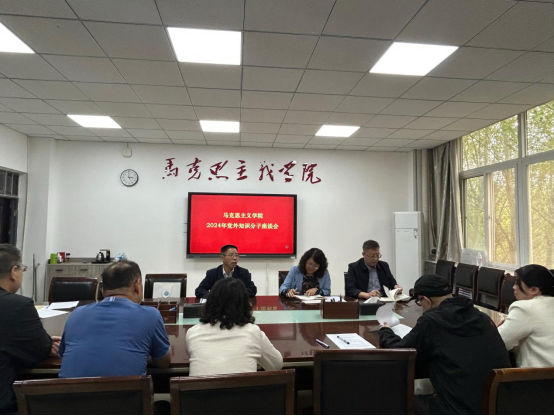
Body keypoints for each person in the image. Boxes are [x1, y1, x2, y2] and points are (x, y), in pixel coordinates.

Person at [379, 275, 511, 416]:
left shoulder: (431, 321)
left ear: (427, 300)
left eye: (419, 302)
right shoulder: (481, 317)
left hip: (457, 409)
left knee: (394, 401)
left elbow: (401, 352)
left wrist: (386, 332)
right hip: (498, 405)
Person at [58, 261, 171, 378]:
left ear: (102, 289)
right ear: (137, 285)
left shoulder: (76, 314)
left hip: (68, 390)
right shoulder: (151, 315)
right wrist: (143, 355)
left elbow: (63, 356)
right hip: (127, 390)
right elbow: (163, 362)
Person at [0, 244, 59, 416]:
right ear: (14, 271)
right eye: (22, 269)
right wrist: (47, 343)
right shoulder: (18, 306)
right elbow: (40, 350)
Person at [187, 278, 283, 377]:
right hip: (243, 387)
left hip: (199, 387)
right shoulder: (253, 332)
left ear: (210, 301)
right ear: (244, 304)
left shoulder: (193, 332)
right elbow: (276, 365)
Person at [498, 265, 554, 368]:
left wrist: (497, 328)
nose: (513, 287)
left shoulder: (525, 308)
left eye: (517, 283)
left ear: (534, 289)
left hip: (538, 376)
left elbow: (498, 343)